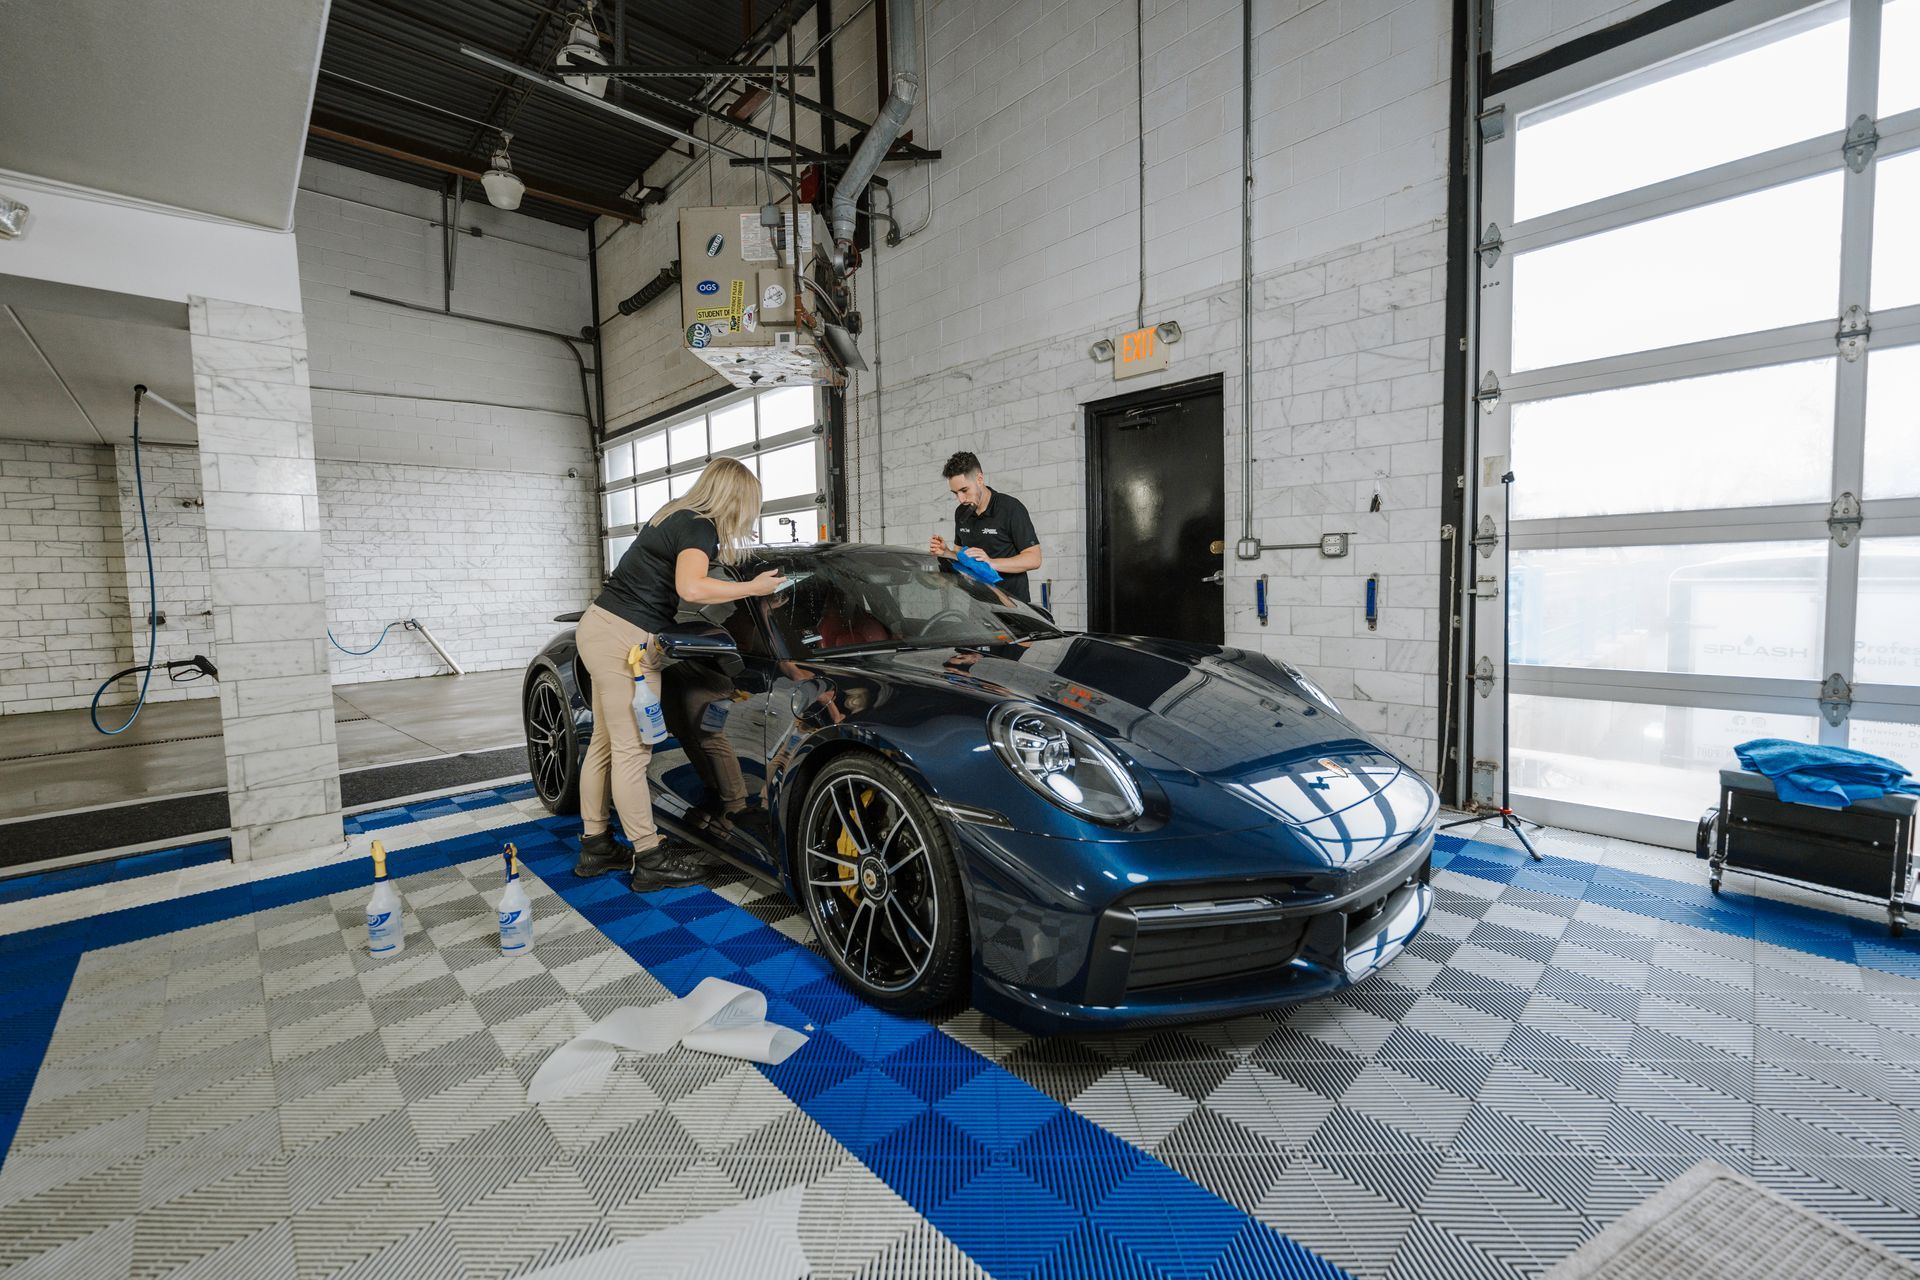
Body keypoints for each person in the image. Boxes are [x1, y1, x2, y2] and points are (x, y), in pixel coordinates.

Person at [574, 457, 784, 890]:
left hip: (602, 625)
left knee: (606, 744)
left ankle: (596, 846)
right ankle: (649, 858)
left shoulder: (675, 514)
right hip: (624, 637)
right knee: (633, 751)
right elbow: (692, 589)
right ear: (736, 498)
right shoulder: (699, 527)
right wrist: (753, 588)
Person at [928, 451, 1042, 604]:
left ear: (979, 479)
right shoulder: (961, 512)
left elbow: (1034, 559)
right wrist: (946, 552)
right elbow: (961, 556)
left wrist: (990, 562)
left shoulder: (1010, 508)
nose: (961, 499)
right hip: (978, 607)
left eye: (964, 490)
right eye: (955, 493)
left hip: (1012, 606)